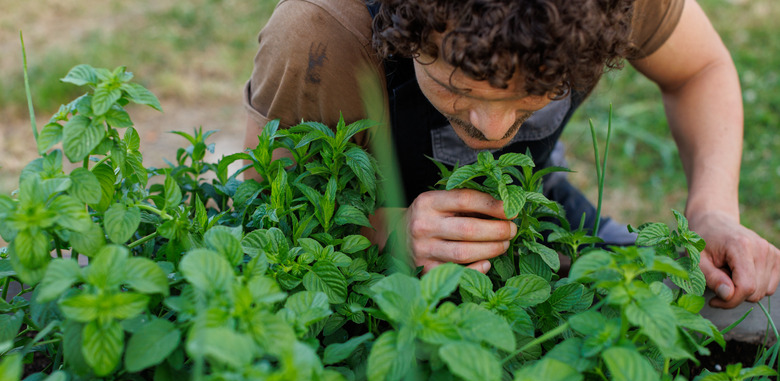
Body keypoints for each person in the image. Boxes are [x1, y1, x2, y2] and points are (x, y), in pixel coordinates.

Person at [242, 0, 780, 309]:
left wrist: (712, 209)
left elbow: (699, 70)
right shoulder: (320, 35)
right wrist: (386, 232)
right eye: (460, 89)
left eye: (532, 93)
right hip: (360, 254)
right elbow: (262, 210)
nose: (492, 128)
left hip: (536, 209)